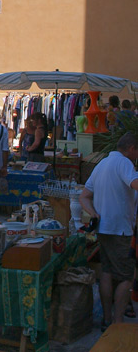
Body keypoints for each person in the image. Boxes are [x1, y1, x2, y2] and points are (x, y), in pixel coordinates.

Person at [79, 133, 138, 331]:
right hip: (120, 229)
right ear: (131, 149)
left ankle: (106, 319)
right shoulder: (124, 164)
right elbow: (135, 183)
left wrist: (94, 214)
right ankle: (118, 322)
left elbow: (84, 197)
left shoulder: (102, 164)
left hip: (104, 227)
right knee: (126, 277)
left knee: (107, 272)